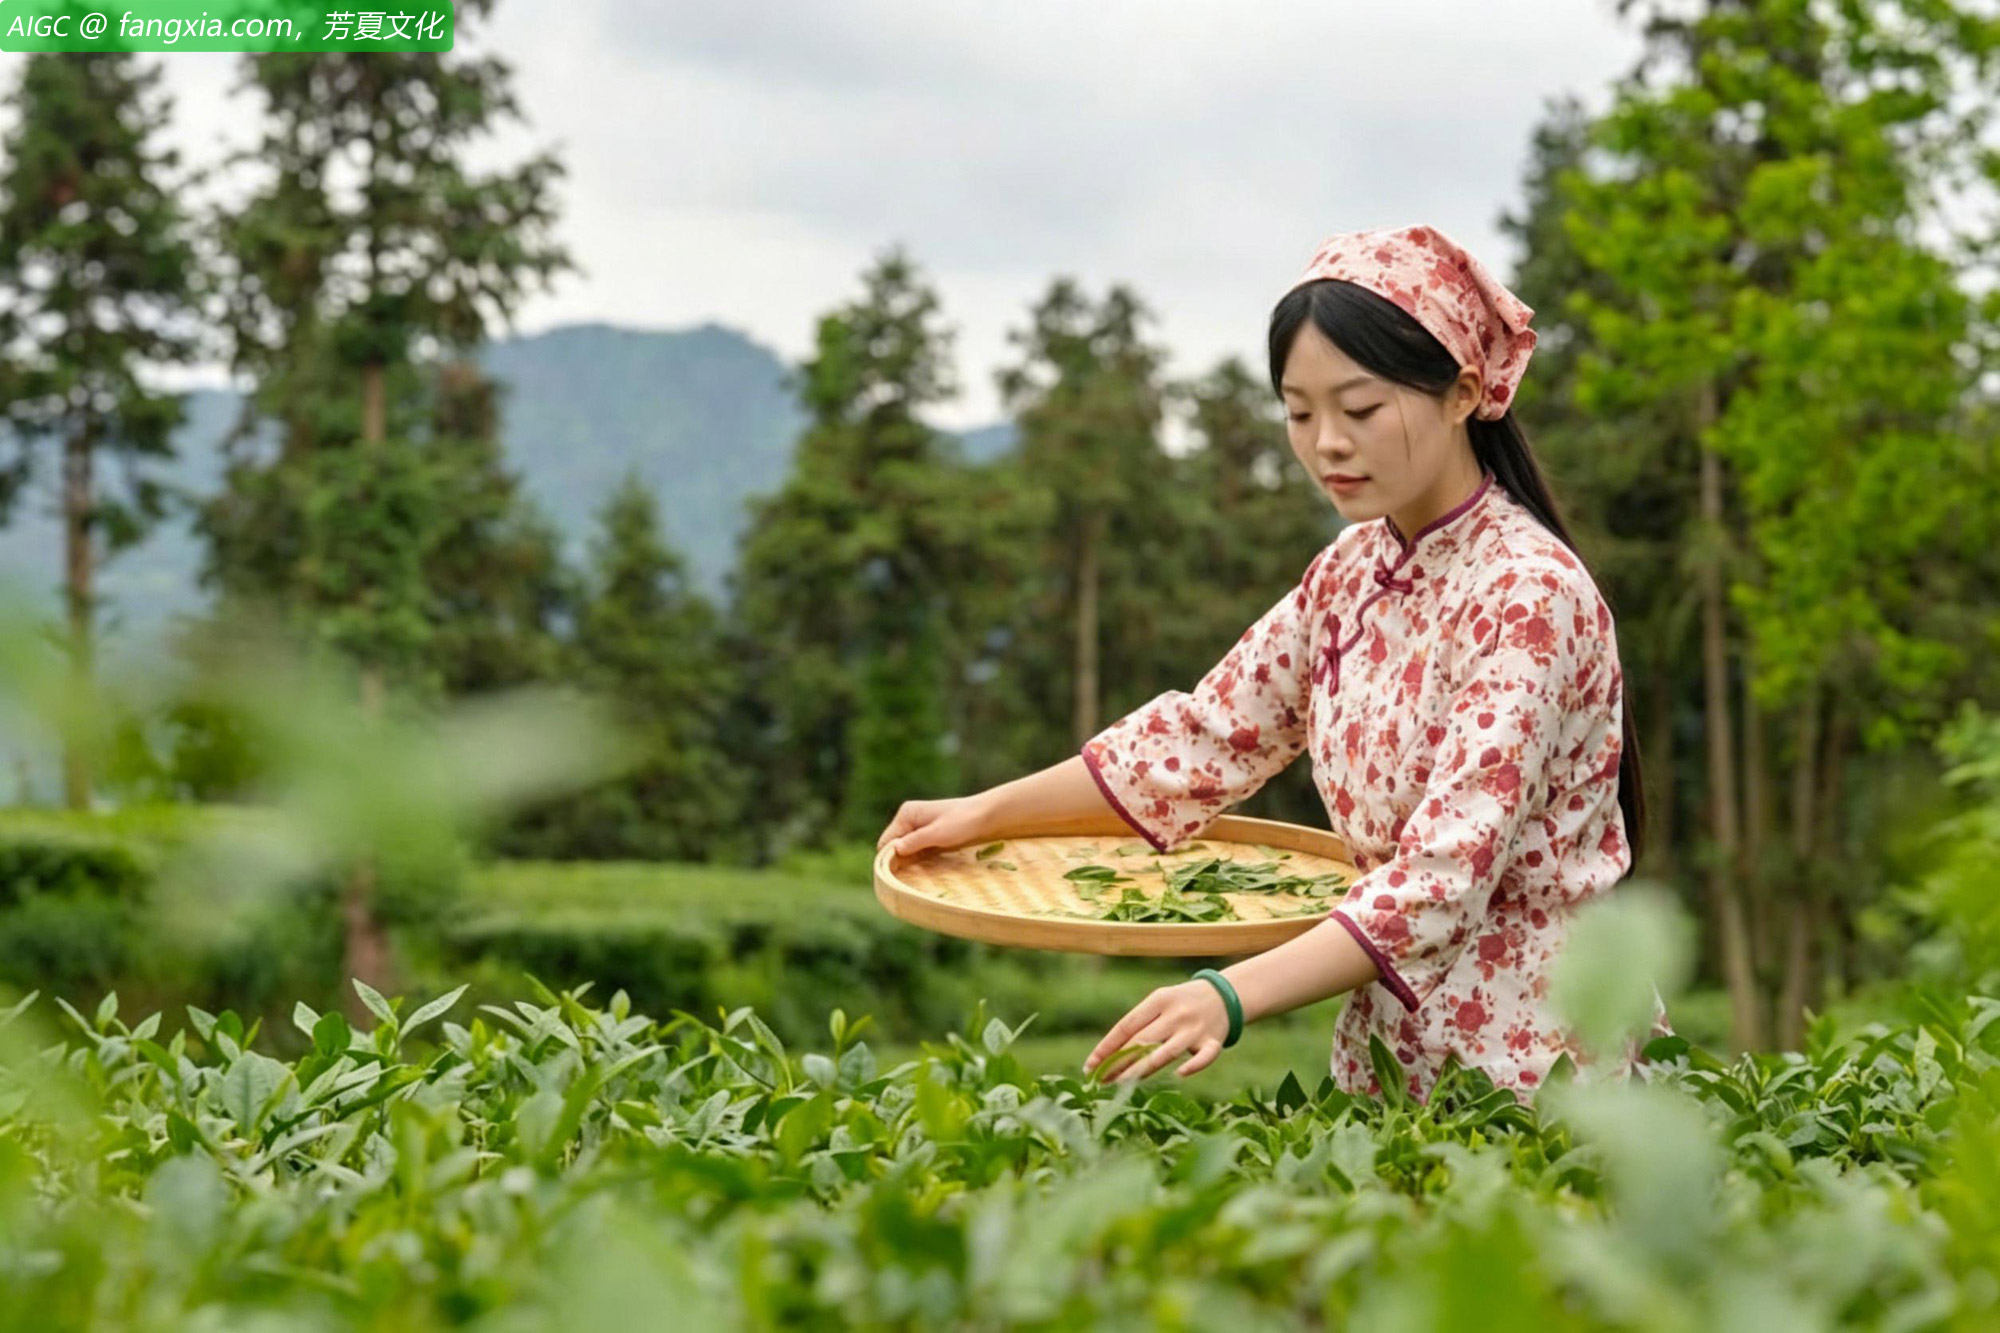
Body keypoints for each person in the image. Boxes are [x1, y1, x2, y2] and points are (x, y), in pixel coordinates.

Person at [875, 223, 1670, 1103]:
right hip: (1391, 1066)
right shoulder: (1348, 574)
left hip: (1545, 1076)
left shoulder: (1527, 594)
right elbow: (1200, 739)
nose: (1327, 442)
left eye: (1360, 409)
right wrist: (987, 815)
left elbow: (1445, 875)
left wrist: (1228, 992)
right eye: (1299, 412)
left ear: (1465, 393)